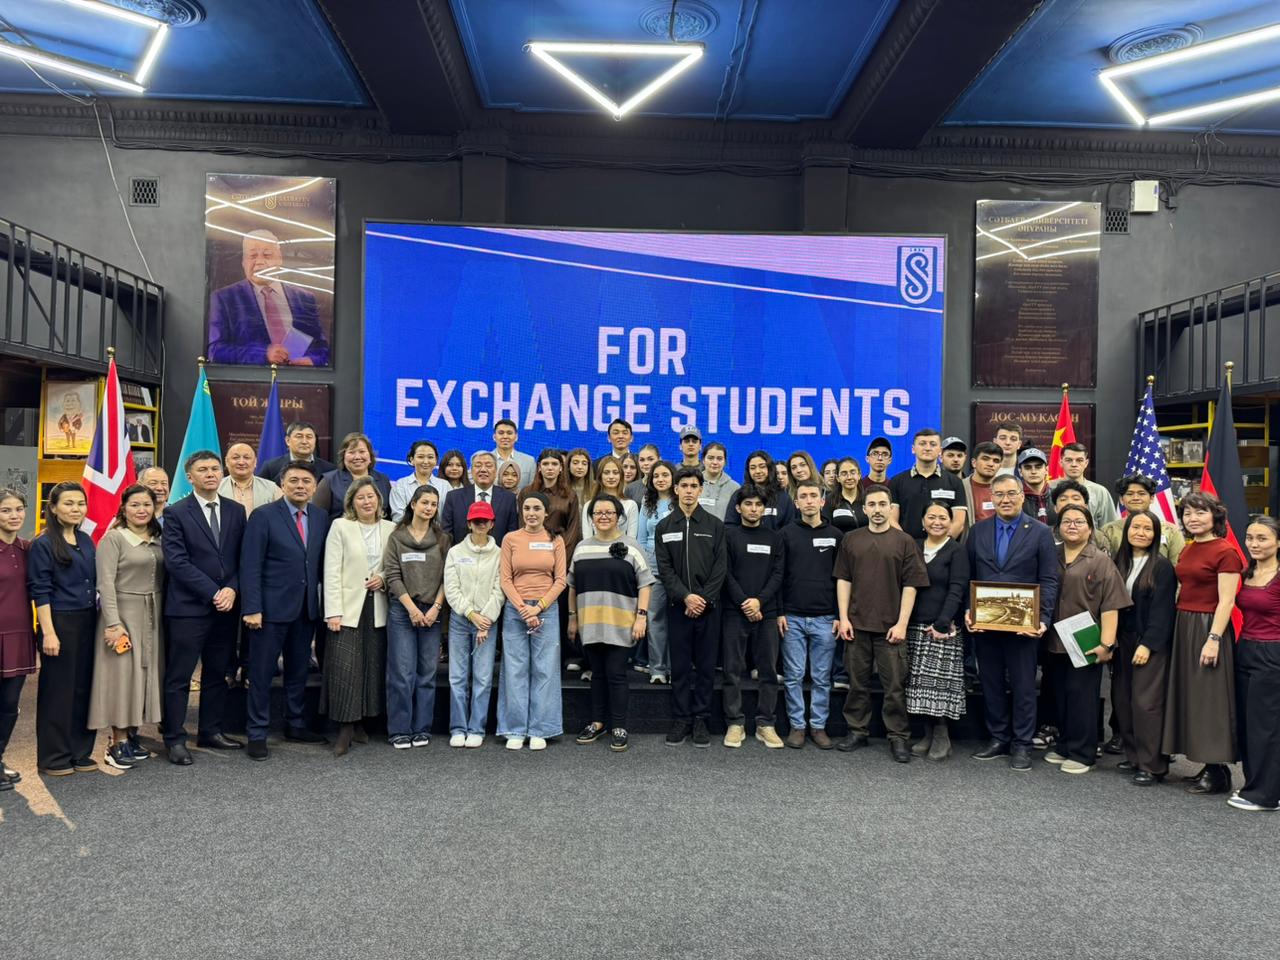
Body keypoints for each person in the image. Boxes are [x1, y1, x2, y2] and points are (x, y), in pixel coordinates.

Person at [966, 474, 1060, 771]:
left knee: (1023, 686)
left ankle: (1022, 744)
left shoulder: (1041, 533)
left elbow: (1048, 579)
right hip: (986, 624)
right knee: (991, 683)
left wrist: (1042, 618)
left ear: (1022, 496)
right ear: (991, 498)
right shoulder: (977, 531)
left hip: (1024, 625)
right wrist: (969, 611)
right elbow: (968, 576)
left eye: (1011, 493)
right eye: (999, 494)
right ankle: (998, 738)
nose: (1005, 499)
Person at [240, 461, 331, 760]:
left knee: (298, 672)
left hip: (305, 609)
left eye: (306, 481)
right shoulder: (263, 516)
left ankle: (295, 724)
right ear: (282, 484)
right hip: (269, 611)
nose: (300, 486)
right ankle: (257, 732)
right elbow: (250, 565)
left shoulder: (320, 517)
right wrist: (252, 607)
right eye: (294, 480)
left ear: (315, 487)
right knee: (262, 673)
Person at [161, 451, 247, 764]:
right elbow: (177, 562)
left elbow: (241, 557)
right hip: (189, 608)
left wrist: (232, 588)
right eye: (202, 469)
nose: (210, 474)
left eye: (214, 468)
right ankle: (174, 738)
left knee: (217, 672)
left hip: (226, 608)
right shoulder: (175, 513)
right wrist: (214, 592)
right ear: (190, 476)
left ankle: (210, 731)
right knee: (179, 676)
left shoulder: (236, 510)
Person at [834, 484, 929, 762]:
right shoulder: (851, 539)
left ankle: (898, 737)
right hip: (857, 625)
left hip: (891, 628)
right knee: (857, 684)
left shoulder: (905, 541)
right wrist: (844, 618)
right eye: (872, 505)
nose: (877, 510)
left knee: (895, 688)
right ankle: (857, 730)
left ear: (890, 508)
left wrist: (902, 624)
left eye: (882, 504)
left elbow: (911, 585)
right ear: (864, 509)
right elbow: (843, 580)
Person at [1164, 492, 1244, 795]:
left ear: (1215, 516)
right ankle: (1211, 767)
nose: (1193, 518)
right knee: (1193, 696)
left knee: (1211, 699)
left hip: (1208, 627)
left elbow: (1227, 601)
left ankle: (1217, 769)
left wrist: (1213, 639)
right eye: (1187, 513)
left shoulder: (1226, 551)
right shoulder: (1188, 548)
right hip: (1184, 624)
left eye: (1200, 512)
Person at [1043, 505, 1130, 775]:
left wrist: (1106, 644)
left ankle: (1083, 753)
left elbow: (1111, 605)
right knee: (1060, 696)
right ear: (1058, 527)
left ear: (1090, 528)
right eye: (1067, 521)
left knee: (1082, 698)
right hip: (1054, 639)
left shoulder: (1100, 561)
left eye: (1079, 521)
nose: (1072, 525)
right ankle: (1065, 745)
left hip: (1085, 640)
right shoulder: (1050, 555)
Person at [87, 485, 165, 770]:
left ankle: (131, 734)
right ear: (123, 508)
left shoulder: (159, 537)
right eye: (135, 505)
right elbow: (105, 583)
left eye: (146, 504)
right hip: (123, 616)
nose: (141, 510)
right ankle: (116, 741)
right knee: (121, 676)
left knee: (144, 675)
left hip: (153, 616)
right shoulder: (114, 539)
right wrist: (113, 623)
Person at [568, 494, 653, 753]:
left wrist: (641, 616)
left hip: (621, 622)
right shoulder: (582, 548)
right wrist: (573, 617)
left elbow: (645, 584)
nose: (603, 516)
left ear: (619, 517)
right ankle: (597, 722)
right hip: (590, 623)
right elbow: (572, 586)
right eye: (598, 513)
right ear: (591, 518)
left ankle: (619, 726)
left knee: (616, 674)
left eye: (609, 512)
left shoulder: (632, 546)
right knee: (597, 674)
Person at [28, 482, 97, 776]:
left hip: (88, 620)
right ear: (53, 508)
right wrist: (49, 633)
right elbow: (40, 590)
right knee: (58, 691)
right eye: (68, 503)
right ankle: (53, 757)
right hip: (59, 622)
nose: (76, 509)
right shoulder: (43, 543)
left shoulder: (86, 540)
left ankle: (79, 751)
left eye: (80, 503)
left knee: (83, 688)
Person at [322, 478, 395, 756]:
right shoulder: (341, 526)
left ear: (379, 500)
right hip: (347, 609)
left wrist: (383, 578)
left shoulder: (390, 528)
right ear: (352, 501)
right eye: (361, 497)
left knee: (371, 666)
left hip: (378, 606)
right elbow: (331, 570)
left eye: (371, 497)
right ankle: (345, 727)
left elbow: (394, 566)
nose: (367, 502)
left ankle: (362, 722)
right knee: (345, 667)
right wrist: (333, 611)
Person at [656, 467, 727, 748]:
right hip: (679, 607)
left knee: (707, 667)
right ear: (675, 490)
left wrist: (703, 599)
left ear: (701, 489)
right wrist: (686, 597)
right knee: (681, 667)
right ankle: (682, 719)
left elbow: (720, 568)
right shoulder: (664, 527)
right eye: (683, 485)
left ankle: (701, 719)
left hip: (708, 608)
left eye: (693, 486)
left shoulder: (715, 525)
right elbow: (665, 569)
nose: (688, 490)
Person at [497, 491, 567, 751]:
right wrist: (523, 609)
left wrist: (538, 607)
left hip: (545, 609)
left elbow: (561, 580)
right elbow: (505, 580)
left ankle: (540, 729)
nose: (531, 513)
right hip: (516, 610)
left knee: (544, 669)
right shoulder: (510, 539)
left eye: (537, 508)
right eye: (527, 508)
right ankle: (515, 729)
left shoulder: (555, 540)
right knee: (515, 668)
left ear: (546, 513)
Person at [1112, 510, 1177, 785]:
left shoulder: (1162, 567)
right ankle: (1134, 756)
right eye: (1135, 527)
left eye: (1147, 528)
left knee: (1146, 703)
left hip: (1148, 641)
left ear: (1155, 535)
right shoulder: (1119, 561)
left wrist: (1148, 645)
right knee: (1123, 699)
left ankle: (1152, 765)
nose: (1140, 533)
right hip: (1122, 640)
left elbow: (1163, 611)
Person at [383, 485, 449, 750]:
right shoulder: (396, 536)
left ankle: (422, 728)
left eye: (433, 504)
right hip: (403, 611)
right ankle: (399, 729)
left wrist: (435, 608)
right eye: (424, 503)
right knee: (402, 673)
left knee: (427, 673)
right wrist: (411, 609)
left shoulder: (443, 539)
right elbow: (392, 575)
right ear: (413, 504)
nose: (429, 508)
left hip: (432, 611)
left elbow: (447, 576)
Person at [778, 480, 843, 749]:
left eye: (813, 496)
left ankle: (818, 726)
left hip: (826, 618)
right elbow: (778, 576)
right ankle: (797, 726)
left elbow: (842, 579)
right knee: (793, 675)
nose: (808, 500)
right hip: (792, 617)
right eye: (803, 496)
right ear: (796, 503)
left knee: (821, 678)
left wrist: (839, 614)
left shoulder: (837, 535)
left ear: (822, 501)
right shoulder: (785, 534)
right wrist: (779, 612)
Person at [721, 483, 784, 749]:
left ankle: (765, 724)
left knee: (768, 671)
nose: (754, 509)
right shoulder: (729, 536)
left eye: (758, 505)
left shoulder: (775, 537)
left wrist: (759, 601)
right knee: (732, 670)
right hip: (734, 612)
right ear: (738, 508)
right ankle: (735, 723)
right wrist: (745, 602)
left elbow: (778, 574)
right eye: (748, 504)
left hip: (766, 612)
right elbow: (725, 573)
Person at [207, 228, 330, 366]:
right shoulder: (224, 299)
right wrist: (264, 354)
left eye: (267, 255)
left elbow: (323, 350)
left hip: (299, 377)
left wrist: (310, 361)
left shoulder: (304, 298)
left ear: (280, 259)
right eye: (252, 256)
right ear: (243, 262)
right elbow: (215, 351)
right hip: (250, 380)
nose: (259, 261)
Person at [906, 502, 969, 762]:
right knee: (920, 685)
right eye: (931, 517)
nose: (937, 522)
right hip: (915, 625)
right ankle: (928, 734)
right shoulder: (914, 546)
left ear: (951, 523)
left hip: (942, 628)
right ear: (923, 521)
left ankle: (942, 736)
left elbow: (957, 588)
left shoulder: (957, 550)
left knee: (938, 686)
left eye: (943, 518)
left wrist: (943, 623)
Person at [443, 501, 504, 748]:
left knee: (483, 677)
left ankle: (477, 728)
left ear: (491, 524)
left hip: (487, 621)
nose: (480, 524)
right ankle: (458, 728)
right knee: (457, 677)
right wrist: (470, 613)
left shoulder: (500, 554)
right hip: (461, 619)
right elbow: (451, 588)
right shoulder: (455, 552)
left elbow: (500, 589)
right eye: (476, 521)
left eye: (484, 521)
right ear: (469, 523)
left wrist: (485, 619)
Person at [1231, 517, 1280, 811]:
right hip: (1245, 649)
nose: (1254, 544)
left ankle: (1266, 796)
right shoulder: (1248, 571)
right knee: (1248, 723)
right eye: (1250, 538)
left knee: (1266, 726)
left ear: (1278, 542)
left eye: (1262, 538)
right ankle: (1254, 785)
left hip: (1272, 653)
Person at [0, 489, 35, 790]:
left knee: (10, 705)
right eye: (6, 510)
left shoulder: (27, 548)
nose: (14, 515)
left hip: (20, 634)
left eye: (19, 509)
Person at [889, 428, 967, 540]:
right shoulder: (897, 481)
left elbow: (958, 522)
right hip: (906, 548)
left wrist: (940, 545)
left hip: (944, 548)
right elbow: (891, 520)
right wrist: (907, 545)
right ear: (913, 449)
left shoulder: (955, 482)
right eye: (922, 444)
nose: (927, 448)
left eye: (933, 444)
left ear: (940, 451)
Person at [637, 461, 676, 683]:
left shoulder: (680, 500)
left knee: (677, 619)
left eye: (665, 475)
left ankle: (675, 668)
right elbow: (641, 539)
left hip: (678, 567)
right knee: (655, 618)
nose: (661, 479)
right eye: (656, 476)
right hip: (653, 567)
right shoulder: (647, 502)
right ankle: (658, 669)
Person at [440, 451, 518, 545]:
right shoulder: (453, 497)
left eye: (488, 466)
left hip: (497, 553)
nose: (483, 469)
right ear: (471, 471)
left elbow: (512, 534)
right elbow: (446, 534)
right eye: (478, 465)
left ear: (496, 471)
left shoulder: (509, 498)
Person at [1101, 475, 1185, 561]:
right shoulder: (1109, 530)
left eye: (1141, 494)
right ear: (1121, 499)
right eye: (1130, 494)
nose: (1136, 498)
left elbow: (1177, 566)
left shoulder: (1171, 531)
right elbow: (1104, 565)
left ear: (1152, 498)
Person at [313, 432, 393, 521]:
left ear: (370, 456)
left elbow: (389, 516)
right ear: (343, 456)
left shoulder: (383, 480)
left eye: (362, 451)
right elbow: (316, 518)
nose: (357, 457)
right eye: (351, 452)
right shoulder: (329, 481)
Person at [723, 451, 795, 531]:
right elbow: (730, 526)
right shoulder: (739, 495)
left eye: (762, 466)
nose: (757, 471)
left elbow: (790, 529)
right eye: (753, 468)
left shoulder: (784, 498)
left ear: (770, 468)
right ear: (748, 471)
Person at [1053, 443, 1119, 528]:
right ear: (1061, 462)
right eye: (1069, 460)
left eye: (1079, 460)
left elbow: (1109, 528)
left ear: (1086, 463)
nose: (1074, 464)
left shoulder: (1099, 492)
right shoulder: (1049, 488)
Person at [389, 440, 452, 516]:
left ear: (436, 460)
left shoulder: (445, 486)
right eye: (420, 457)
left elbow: (450, 515)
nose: (425, 461)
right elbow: (398, 517)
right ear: (412, 460)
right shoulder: (401, 485)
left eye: (430, 457)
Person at [256, 421, 335, 482]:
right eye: (299, 436)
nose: (304, 441)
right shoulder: (271, 467)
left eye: (309, 437)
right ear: (288, 440)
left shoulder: (329, 469)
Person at [218, 442, 282, 515]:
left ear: (255, 462)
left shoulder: (272, 489)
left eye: (246, 458)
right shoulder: (216, 488)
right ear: (226, 462)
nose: (241, 462)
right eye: (235, 458)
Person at [583, 456, 639, 539]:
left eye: (615, 473)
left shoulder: (631, 505)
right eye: (606, 473)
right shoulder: (589, 505)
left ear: (621, 476)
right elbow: (587, 539)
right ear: (600, 476)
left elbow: (632, 539)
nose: (611, 477)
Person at [960, 441, 1004, 531]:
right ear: (974, 463)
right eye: (985, 459)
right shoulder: (960, 487)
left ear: (1000, 466)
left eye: (996, 461)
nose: (990, 464)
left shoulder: (1006, 489)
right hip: (970, 537)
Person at [823, 458, 867, 535]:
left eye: (853, 472)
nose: (849, 477)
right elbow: (826, 529)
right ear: (838, 478)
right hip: (840, 542)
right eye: (844, 473)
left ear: (859, 475)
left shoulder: (868, 498)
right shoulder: (829, 500)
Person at [699, 442, 739, 521]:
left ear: (725, 462)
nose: (715, 462)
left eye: (719, 459)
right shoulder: (693, 484)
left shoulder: (734, 488)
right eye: (710, 458)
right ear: (703, 460)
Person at [493, 419, 536, 490]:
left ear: (516, 437)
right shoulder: (484, 460)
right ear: (494, 437)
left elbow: (532, 489)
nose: (505, 436)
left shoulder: (529, 461)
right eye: (501, 433)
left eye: (509, 433)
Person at [1018, 448, 1055, 525]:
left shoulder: (1058, 496)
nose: (1033, 471)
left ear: (1046, 470)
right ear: (1020, 471)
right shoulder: (1015, 499)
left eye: (1038, 467)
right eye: (1028, 467)